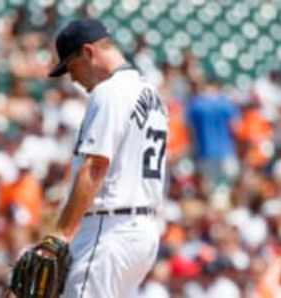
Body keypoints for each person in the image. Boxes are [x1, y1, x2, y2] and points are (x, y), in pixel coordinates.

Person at [48, 19, 168, 297]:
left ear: (88, 52)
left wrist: (61, 234)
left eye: (71, 67)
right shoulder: (150, 92)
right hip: (141, 232)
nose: (73, 78)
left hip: (109, 229)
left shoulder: (110, 92)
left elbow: (95, 166)